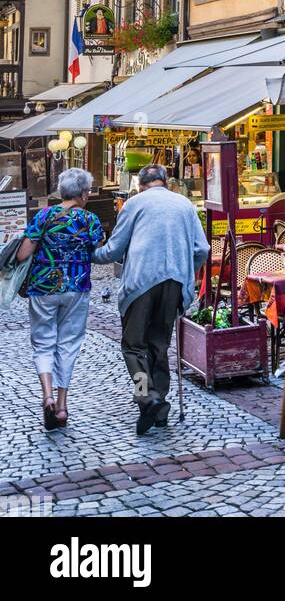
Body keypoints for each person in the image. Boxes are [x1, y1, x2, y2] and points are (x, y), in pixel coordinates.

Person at [94, 163, 210, 435]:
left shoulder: (134, 204)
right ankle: (160, 406)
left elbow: (113, 250)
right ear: (165, 182)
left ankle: (147, 397)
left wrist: (90, 255)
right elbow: (202, 248)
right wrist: (188, 273)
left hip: (141, 282)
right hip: (175, 282)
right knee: (159, 344)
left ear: (140, 185)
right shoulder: (184, 204)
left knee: (133, 346)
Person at [15, 168, 104, 430]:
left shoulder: (43, 216)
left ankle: (47, 395)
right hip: (76, 288)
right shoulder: (90, 219)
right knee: (68, 344)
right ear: (84, 194)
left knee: (43, 343)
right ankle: (63, 406)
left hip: (43, 288)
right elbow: (97, 252)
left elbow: (22, 256)